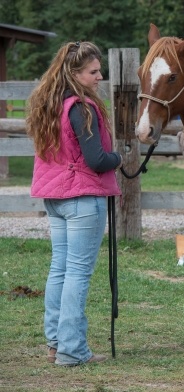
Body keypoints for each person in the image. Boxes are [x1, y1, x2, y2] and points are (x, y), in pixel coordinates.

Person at [26, 41, 122, 366]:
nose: (100, 77)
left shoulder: (50, 105)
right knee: (77, 273)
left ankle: (56, 343)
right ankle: (72, 350)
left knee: (60, 269)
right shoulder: (81, 108)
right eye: (93, 72)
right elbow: (96, 160)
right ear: (75, 73)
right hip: (82, 198)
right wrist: (118, 158)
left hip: (56, 198)